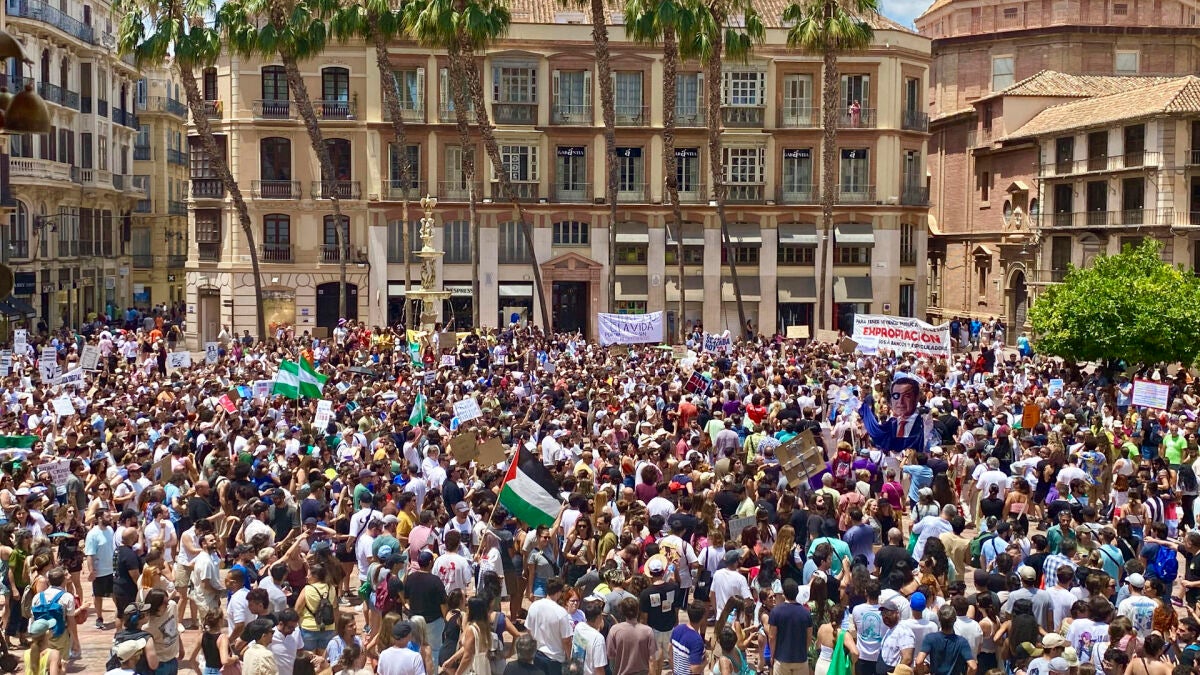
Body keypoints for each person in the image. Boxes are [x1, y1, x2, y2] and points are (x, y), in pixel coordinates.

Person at [527, 577, 573, 675]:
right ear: (559, 592)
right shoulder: (561, 613)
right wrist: (570, 659)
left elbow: (528, 629)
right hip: (555, 659)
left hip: (537, 655)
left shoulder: (534, 606)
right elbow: (567, 641)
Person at [769, 579, 813, 675]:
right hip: (801, 659)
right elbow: (809, 636)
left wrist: (772, 656)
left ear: (783, 593)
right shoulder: (806, 613)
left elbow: (772, 637)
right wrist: (804, 652)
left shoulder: (776, 612)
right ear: (797, 593)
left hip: (781, 659)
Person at [915, 606, 976, 675]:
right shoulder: (962, 642)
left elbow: (919, 661)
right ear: (955, 619)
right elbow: (973, 667)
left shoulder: (930, 638)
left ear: (939, 619)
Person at [607, 596, 657, 675]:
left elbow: (611, 656)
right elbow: (652, 660)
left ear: (622, 612)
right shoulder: (648, 631)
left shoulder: (614, 630)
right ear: (638, 610)